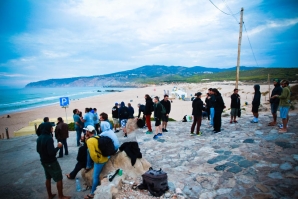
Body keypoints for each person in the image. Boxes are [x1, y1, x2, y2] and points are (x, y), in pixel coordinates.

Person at [36, 122, 70, 199]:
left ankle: (50, 195)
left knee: (48, 178)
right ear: (48, 129)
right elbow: (52, 153)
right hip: (51, 161)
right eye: (51, 127)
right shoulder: (48, 138)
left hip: (43, 161)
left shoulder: (39, 138)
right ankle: (61, 196)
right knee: (59, 178)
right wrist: (58, 147)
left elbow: (38, 150)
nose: (52, 129)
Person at [84, 125, 109, 199]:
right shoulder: (98, 137)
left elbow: (93, 155)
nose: (85, 132)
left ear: (88, 132)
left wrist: (96, 162)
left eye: (86, 131)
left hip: (100, 160)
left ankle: (92, 193)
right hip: (105, 157)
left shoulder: (90, 141)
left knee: (95, 176)